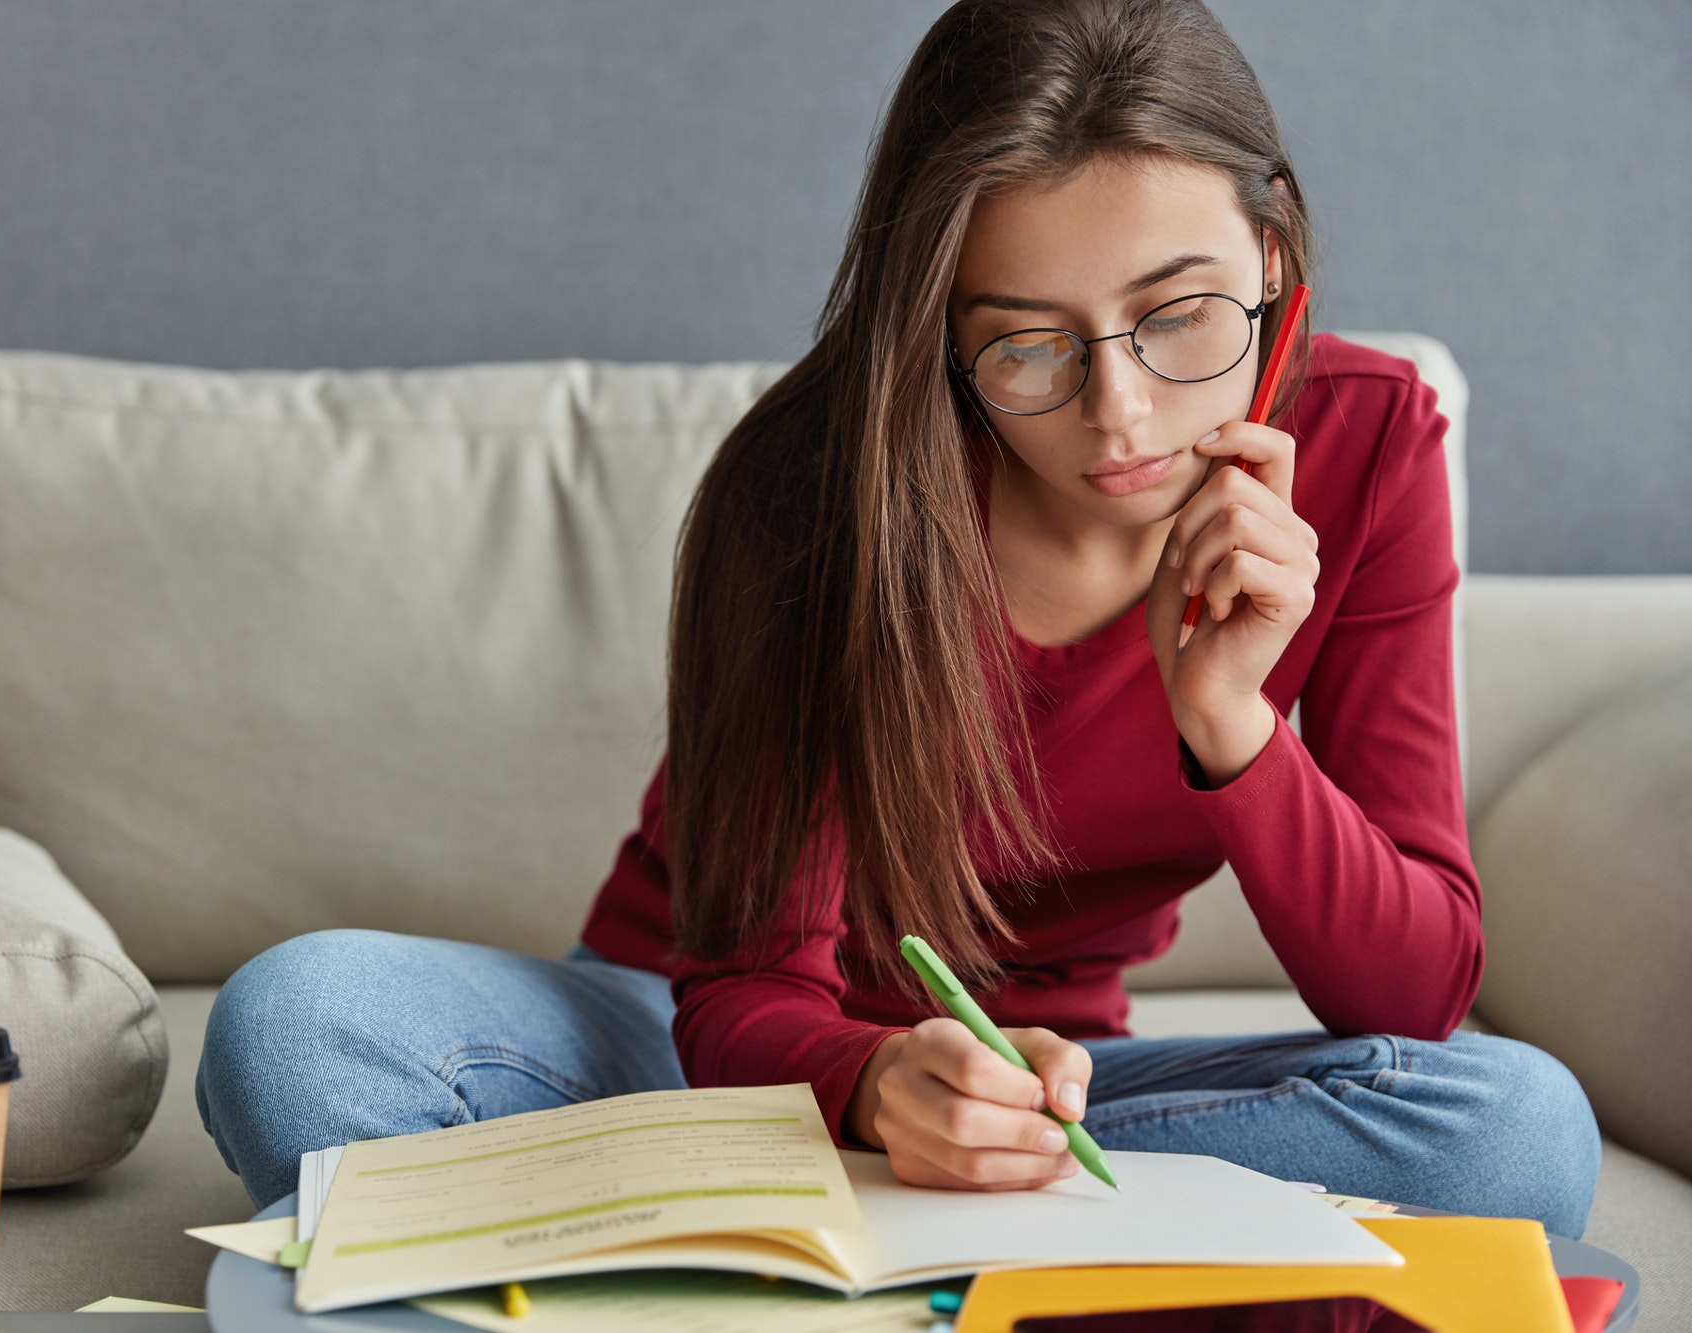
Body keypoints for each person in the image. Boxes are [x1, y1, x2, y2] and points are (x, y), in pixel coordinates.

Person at [196, 0, 1601, 1238]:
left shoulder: (1370, 439)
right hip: (697, 1048)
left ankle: (817, 1231)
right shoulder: (812, 489)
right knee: (297, 1026)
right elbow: (743, 986)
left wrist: (1234, 724)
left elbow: (1412, 995)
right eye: (1026, 345)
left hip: (1054, 1076)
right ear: (940, 326)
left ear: (1275, 250)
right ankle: (1005, 1233)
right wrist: (871, 1087)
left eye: (1180, 316)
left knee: (1516, 1126)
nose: (1119, 413)